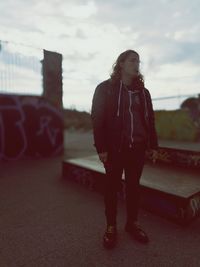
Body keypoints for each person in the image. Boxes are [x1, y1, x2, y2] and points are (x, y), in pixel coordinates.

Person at [91, 49, 158, 249]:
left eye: (139, 61)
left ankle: (132, 223)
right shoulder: (105, 89)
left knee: (133, 188)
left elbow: (150, 120)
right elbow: (97, 118)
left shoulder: (143, 93)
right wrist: (101, 148)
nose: (137, 64)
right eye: (132, 60)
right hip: (114, 150)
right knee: (111, 188)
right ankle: (111, 226)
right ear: (121, 64)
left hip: (137, 148)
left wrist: (153, 145)